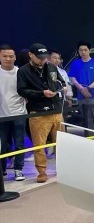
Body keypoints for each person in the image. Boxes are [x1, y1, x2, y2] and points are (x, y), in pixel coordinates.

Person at [17, 43, 65, 183]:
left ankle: (62, 168)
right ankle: (42, 172)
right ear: (30, 55)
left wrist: (62, 87)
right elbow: (22, 91)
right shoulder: (23, 71)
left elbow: (60, 81)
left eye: (44, 57)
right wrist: (41, 93)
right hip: (38, 113)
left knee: (61, 143)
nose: (43, 60)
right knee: (39, 145)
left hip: (56, 111)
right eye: (39, 57)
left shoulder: (51, 67)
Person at [68, 40, 94, 137]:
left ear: (90, 50)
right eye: (81, 50)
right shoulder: (75, 63)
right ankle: (90, 139)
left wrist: (88, 88)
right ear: (78, 51)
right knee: (86, 120)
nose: (83, 52)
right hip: (81, 96)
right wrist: (81, 89)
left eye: (85, 50)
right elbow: (72, 78)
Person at [0, 44, 26, 180]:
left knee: (19, 143)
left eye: (10, 56)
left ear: (15, 57)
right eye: (5, 56)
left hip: (19, 113)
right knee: (2, 144)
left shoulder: (21, 72)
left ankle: (18, 169)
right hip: (1, 115)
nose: (8, 59)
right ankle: (2, 169)